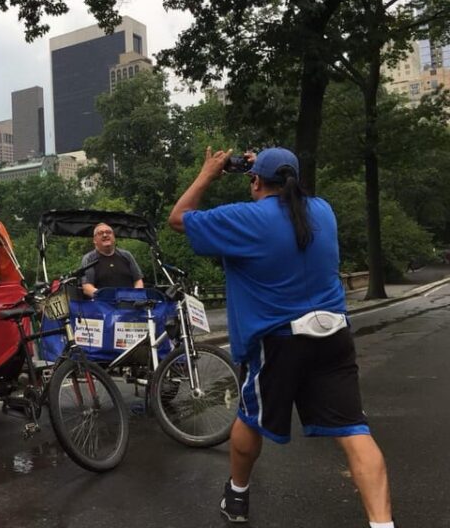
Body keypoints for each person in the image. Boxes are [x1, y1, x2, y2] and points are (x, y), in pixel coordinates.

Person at [168, 146, 394, 527]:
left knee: (249, 419)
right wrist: (267, 165)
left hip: (280, 342)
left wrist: (209, 172)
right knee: (354, 430)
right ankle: (383, 524)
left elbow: (179, 218)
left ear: (255, 181)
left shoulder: (248, 219)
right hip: (334, 334)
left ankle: (237, 497)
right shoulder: (323, 211)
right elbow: (287, 195)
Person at [80, 222, 144, 298]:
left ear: (114, 237)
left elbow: (138, 280)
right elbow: (87, 287)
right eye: (100, 233)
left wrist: (135, 295)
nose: (105, 235)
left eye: (108, 232)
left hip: (130, 303)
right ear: (94, 240)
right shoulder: (89, 259)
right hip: (103, 305)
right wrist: (107, 297)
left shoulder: (127, 255)